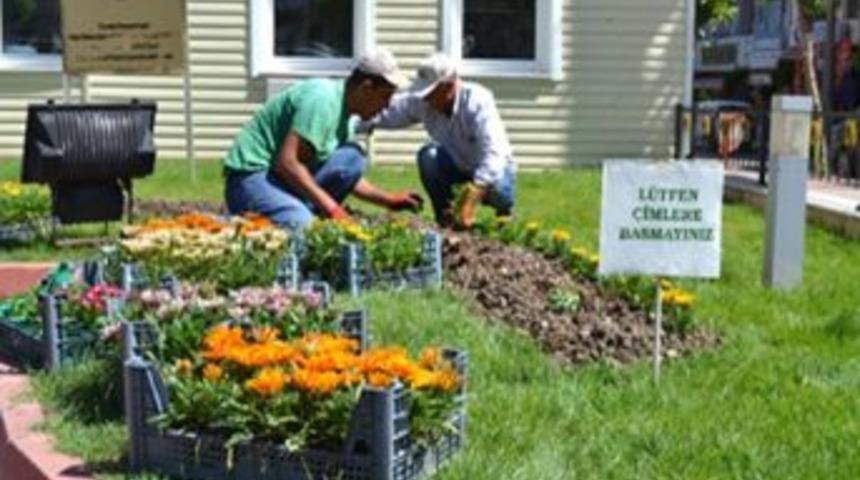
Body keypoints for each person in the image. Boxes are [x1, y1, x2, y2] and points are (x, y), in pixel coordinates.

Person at [223, 48, 423, 229]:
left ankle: (296, 209)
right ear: (366, 88)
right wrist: (333, 209)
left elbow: (345, 174)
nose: (387, 106)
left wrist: (388, 200)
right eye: (385, 96)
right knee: (302, 225)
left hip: (278, 179)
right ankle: (283, 216)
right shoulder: (322, 101)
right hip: (249, 179)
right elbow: (287, 163)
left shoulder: (345, 116)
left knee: (352, 158)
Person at [358, 53, 516, 228]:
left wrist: (472, 194)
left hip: (492, 170)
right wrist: (352, 122)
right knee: (429, 156)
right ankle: (445, 219)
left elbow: (494, 153)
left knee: (500, 191)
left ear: (448, 85)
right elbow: (389, 112)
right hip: (457, 165)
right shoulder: (424, 101)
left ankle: (504, 215)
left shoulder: (477, 101)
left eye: (430, 92)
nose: (425, 98)